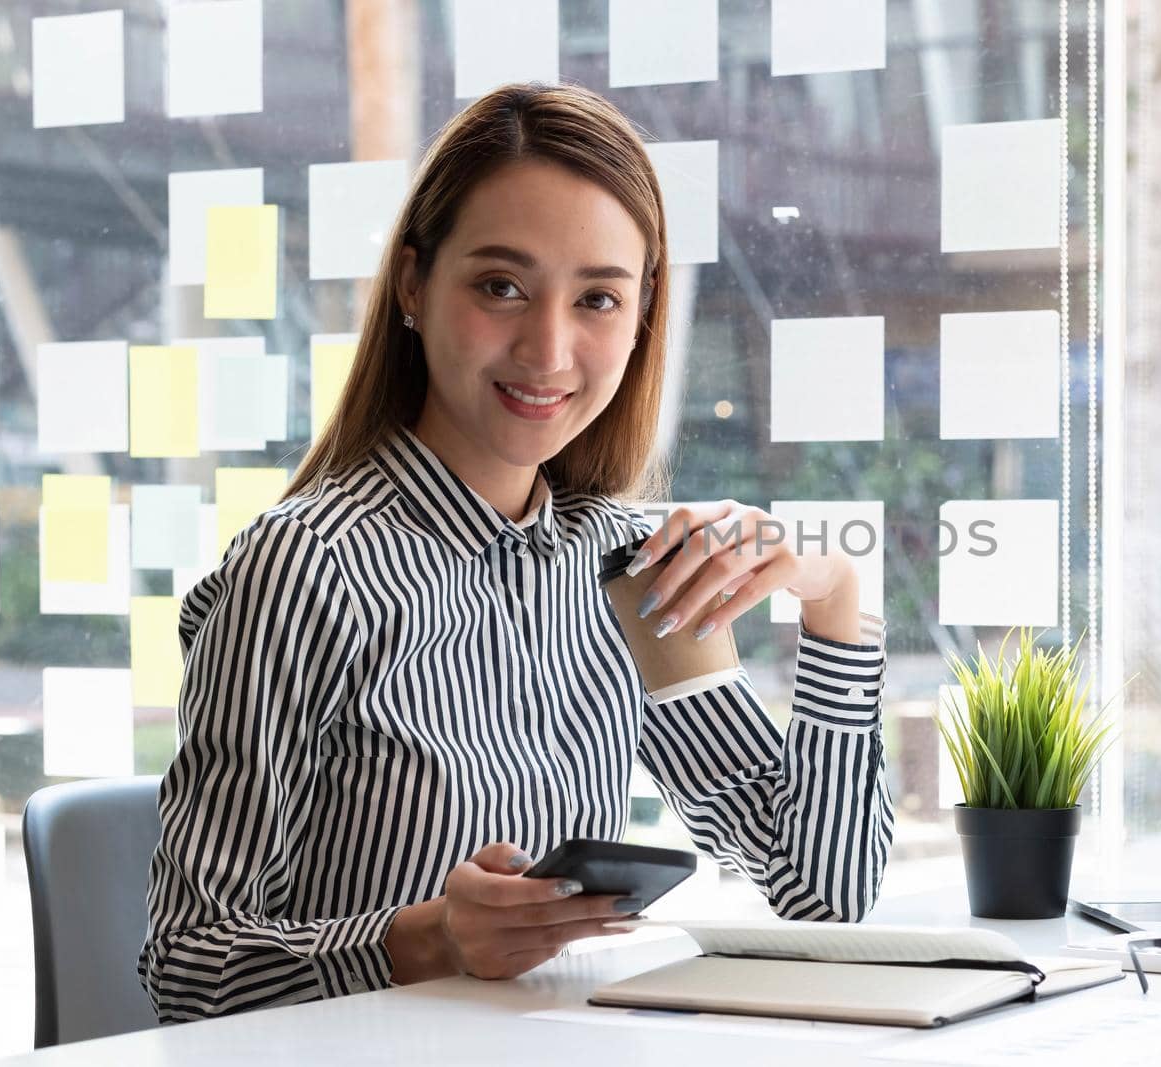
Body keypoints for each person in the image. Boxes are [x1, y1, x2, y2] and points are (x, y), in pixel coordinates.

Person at [137, 81, 894, 1024]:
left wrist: (833, 599)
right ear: (414, 284)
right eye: (501, 286)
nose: (548, 348)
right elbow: (187, 963)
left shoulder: (627, 568)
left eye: (598, 299)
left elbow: (824, 893)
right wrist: (426, 938)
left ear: (641, 316)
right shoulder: (302, 570)